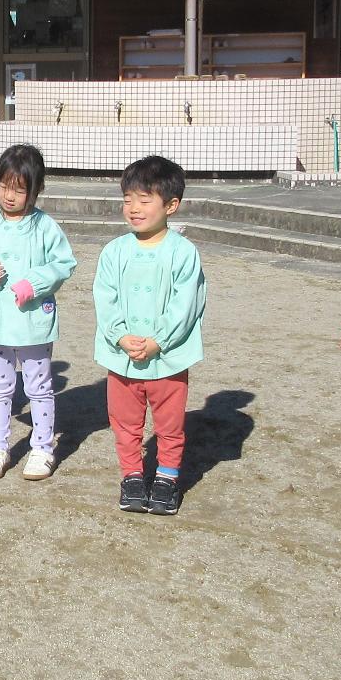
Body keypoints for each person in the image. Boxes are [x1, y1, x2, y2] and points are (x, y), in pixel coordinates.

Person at [0, 143, 76, 481]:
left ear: (37, 190)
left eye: (20, 190)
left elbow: (64, 263)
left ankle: (42, 448)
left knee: (39, 387)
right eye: (4, 186)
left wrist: (34, 282)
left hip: (33, 320)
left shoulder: (45, 226)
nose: (9, 196)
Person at [94, 155, 206, 515]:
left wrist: (160, 340)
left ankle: (167, 478)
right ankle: (131, 475)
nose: (134, 208)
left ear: (171, 205)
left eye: (144, 200)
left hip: (169, 358)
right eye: (128, 199)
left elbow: (186, 303)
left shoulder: (183, 253)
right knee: (125, 423)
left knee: (169, 425)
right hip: (122, 356)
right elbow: (104, 296)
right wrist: (119, 335)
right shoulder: (114, 251)